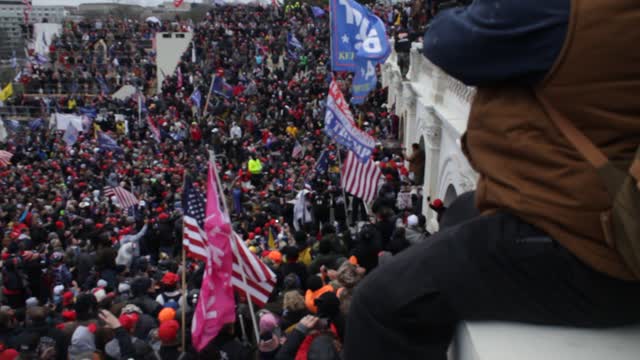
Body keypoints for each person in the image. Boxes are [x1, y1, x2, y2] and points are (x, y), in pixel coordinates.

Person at [344, 1, 640, 359]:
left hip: (593, 250)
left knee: (379, 306)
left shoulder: (572, 12)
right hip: (600, 211)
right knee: (461, 211)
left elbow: (446, 41)